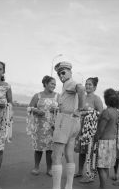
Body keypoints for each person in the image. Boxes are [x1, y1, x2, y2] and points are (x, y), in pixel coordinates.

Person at [51, 61, 85, 189]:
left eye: (64, 72)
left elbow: (81, 89)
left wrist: (80, 108)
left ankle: (56, 188)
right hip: (74, 121)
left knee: (57, 155)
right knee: (69, 153)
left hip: (65, 118)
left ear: (70, 72)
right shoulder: (66, 84)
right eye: (59, 73)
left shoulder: (70, 82)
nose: (61, 75)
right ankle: (68, 186)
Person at [26, 75, 59, 177]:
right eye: (52, 83)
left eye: (55, 84)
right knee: (38, 148)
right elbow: (30, 108)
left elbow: (62, 109)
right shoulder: (38, 96)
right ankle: (36, 167)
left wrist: (57, 109)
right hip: (39, 125)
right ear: (45, 84)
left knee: (50, 149)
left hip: (52, 126)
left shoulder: (58, 96)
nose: (54, 86)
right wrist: (36, 110)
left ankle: (49, 169)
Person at [74, 77, 103, 183]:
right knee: (82, 151)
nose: (87, 86)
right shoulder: (82, 97)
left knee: (90, 152)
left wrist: (88, 113)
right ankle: (80, 171)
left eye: (90, 84)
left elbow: (101, 114)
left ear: (95, 87)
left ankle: (89, 175)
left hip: (91, 129)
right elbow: (77, 111)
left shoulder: (97, 98)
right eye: (86, 84)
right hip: (81, 128)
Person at [94, 88, 119, 189]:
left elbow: (100, 129)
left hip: (104, 142)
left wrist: (95, 139)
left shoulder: (106, 112)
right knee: (106, 166)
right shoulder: (116, 112)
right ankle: (103, 187)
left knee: (100, 167)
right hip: (112, 142)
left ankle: (102, 187)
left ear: (106, 99)